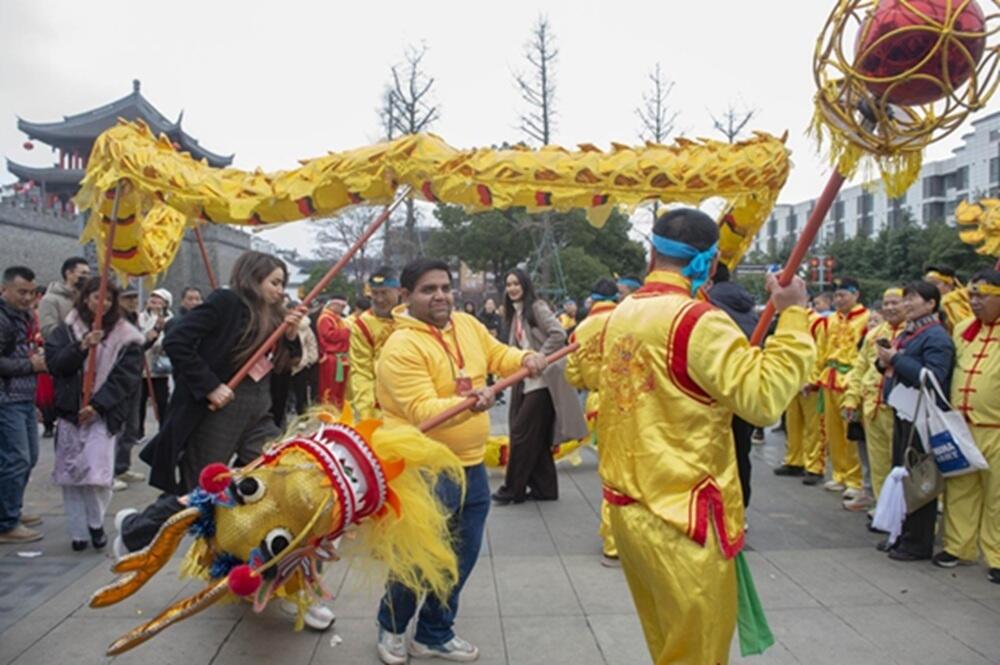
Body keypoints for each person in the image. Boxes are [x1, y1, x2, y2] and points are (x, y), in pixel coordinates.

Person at [597, 208, 814, 664]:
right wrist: (793, 316)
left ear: (652, 254)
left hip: (630, 509)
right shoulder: (699, 321)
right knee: (697, 652)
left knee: (667, 643)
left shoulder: (621, 313)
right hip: (683, 517)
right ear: (712, 263)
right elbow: (762, 400)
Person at [373, 258, 546, 663]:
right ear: (406, 296)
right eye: (428, 290)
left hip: (471, 466)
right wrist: (469, 403)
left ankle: (434, 632)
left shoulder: (466, 324)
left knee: (461, 557)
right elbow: (422, 411)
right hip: (424, 470)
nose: (440, 296)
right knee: (418, 558)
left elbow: (497, 354)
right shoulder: (401, 346)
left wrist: (524, 358)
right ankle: (392, 625)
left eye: (444, 288)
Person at [141, 251, 305, 494]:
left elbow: (289, 363)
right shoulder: (227, 302)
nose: (281, 291)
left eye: (282, 283)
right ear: (253, 278)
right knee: (201, 488)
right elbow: (176, 340)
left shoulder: (276, 314)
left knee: (275, 470)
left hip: (261, 412)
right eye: (275, 283)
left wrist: (290, 336)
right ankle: (151, 520)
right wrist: (210, 386)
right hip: (221, 409)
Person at [45, 278, 144, 551]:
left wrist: (98, 405)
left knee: (97, 473)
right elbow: (56, 365)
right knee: (71, 475)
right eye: (96, 297)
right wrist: (81, 347)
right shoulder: (66, 331)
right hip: (70, 412)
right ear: (85, 298)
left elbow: (126, 377)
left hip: (102, 414)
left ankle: (96, 522)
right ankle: (78, 531)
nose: (103, 303)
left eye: (109, 298)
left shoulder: (126, 335)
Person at [492, 268, 587, 504]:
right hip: (526, 381)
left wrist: (540, 357)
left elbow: (558, 333)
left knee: (521, 433)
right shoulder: (515, 314)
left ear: (525, 285)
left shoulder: (536, 307)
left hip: (544, 381)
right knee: (537, 437)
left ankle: (512, 489)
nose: (512, 288)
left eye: (516, 283)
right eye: (509, 284)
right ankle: (545, 488)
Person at [876, 280, 954, 562]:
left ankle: (918, 542)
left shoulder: (936, 336)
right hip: (904, 413)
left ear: (931, 304)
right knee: (902, 474)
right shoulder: (911, 333)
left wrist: (896, 359)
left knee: (919, 477)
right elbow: (900, 366)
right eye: (905, 298)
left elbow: (933, 377)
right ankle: (901, 533)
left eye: (913, 299)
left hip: (921, 417)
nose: (906, 304)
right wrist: (884, 361)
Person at [934, 270, 1000, 583]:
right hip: (961, 425)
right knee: (960, 487)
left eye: (982, 295)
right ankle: (958, 547)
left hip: (996, 427)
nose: (974, 301)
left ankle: (997, 555)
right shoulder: (962, 329)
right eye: (971, 295)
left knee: (997, 495)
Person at [564, 277, 619, 566]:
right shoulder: (629, 320)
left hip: (598, 401)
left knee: (610, 472)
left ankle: (613, 539)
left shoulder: (580, 330)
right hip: (632, 401)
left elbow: (573, 375)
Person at [842, 288, 905, 511]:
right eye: (886, 303)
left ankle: (902, 511)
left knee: (901, 463)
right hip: (872, 408)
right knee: (877, 463)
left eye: (895, 303)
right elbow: (860, 369)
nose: (890, 307)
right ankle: (882, 508)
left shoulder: (912, 334)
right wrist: (851, 399)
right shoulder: (874, 334)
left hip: (899, 411)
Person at [0, 266, 47, 544]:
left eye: (31, 292)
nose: (28, 298)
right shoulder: (2, 318)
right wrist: (30, 365)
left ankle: (10, 507)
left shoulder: (25, 316)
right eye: (21, 292)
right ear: (4, 289)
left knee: (28, 458)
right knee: (16, 459)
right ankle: (6, 523)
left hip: (24, 397)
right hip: (6, 399)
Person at [707, 263, 759, 509]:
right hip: (745, 386)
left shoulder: (707, 306)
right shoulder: (749, 308)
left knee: (716, 452)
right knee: (741, 449)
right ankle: (741, 507)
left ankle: (720, 509)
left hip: (716, 389)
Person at [814, 277, 868, 497]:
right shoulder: (829, 320)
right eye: (836, 296)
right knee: (833, 431)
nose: (838, 300)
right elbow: (820, 349)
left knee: (850, 433)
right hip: (830, 378)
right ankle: (839, 474)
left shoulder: (866, 319)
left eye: (843, 295)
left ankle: (855, 480)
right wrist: (814, 376)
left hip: (851, 380)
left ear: (856, 295)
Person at [776, 306, 827, 480]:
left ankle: (814, 466)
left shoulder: (817, 321)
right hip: (791, 379)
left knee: (814, 426)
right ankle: (794, 460)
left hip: (809, 382)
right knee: (792, 423)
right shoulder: (785, 319)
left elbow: (821, 352)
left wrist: (813, 379)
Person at [348, 268, 400, 420]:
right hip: (381, 405)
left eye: (384, 293)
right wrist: (366, 412)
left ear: (398, 291)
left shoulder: (412, 318)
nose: (379, 299)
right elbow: (361, 371)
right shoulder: (363, 325)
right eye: (375, 293)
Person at [138, 289, 173, 436]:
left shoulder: (170, 320)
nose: (154, 300)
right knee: (139, 402)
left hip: (159, 369)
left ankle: (163, 431)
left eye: (159, 299)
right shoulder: (140, 317)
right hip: (141, 367)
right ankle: (138, 432)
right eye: (152, 297)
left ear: (166, 303)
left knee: (162, 402)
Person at [38, 257, 90, 339]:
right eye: (83, 273)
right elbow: (47, 330)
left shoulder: (86, 299)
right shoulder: (49, 300)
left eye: (88, 274)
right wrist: (76, 334)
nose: (87, 277)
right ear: (69, 273)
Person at [317, 295, 350, 408]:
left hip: (340, 358)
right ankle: (328, 410)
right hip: (331, 358)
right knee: (329, 387)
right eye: (341, 306)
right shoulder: (326, 318)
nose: (342, 309)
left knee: (339, 387)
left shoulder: (337, 318)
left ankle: (338, 409)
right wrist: (346, 332)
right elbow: (329, 335)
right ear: (332, 304)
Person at [925, 265, 973, 333]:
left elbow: (964, 329)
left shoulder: (950, 301)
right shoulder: (962, 296)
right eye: (927, 284)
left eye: (935, 283)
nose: (930, 287)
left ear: (949, 284)